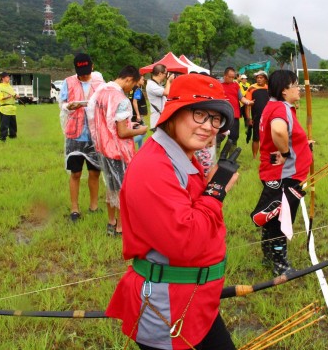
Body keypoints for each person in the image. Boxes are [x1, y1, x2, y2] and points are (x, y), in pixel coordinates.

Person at [106, 73, 239, 350]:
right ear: (173, 113)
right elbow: (186, 241)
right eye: (199, 114)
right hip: (169, 310)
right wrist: (216, 190)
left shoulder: (180, 157)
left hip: (194, 301)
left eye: (216, 119)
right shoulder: (154, 167)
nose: (209, 126)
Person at [250, 70, 312, 276]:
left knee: (272, 215)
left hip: (275, 172)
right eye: (295, 85)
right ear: (285, 90)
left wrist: (303, 144)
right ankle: (280, 265)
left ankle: (268, 256)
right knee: (281, 219)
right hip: (284, 175)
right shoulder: (280, 110)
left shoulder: (274, 105)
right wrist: (286, 152)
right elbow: (277, 131)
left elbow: (282, 133)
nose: (299, 89)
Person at [87, 66, 148, 236]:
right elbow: (122, 132)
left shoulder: (101, 92)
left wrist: (129, 125)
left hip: (103, 148)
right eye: (134, 85)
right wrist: (140, 131)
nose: (132, 88)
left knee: (110, 186)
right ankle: (121, 227)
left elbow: (103, 121)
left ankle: (111, 222)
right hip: (118, 152)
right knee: (123, 189)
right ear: (128, 79)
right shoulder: (120, 99)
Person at [59, 53, 105, 221]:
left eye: (86, 71)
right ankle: (75, 208)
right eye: (81, 72)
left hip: (94, 135)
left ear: (92, 67)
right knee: (76, 173)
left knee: (95, 173)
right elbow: (62, 103)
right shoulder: (68, 82)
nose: (84, 75)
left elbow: (106, 104)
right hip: (75, 135)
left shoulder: (100, 84)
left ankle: (94, 206)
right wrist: (69, 106)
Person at [216, 67, 252, 154]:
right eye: (230, 77)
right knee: (219, 135)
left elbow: (241, 98)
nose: (232, 79)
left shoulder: (236, 85)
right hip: (222, 115)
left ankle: (231, 157)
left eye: (233, 77)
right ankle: (215, 155)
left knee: (234, 136)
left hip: (234, 115)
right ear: (225, 76)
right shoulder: (218, 84)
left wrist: (248, 102)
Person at [244, 70, 270, 158]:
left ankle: (265, 155)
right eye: (257, 78)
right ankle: (254, 156)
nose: (259, 79)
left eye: (261, 78)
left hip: (268, 117)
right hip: (256, 117)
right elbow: (247, 105)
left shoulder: (269, 88)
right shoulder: (251, 88)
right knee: (256, 137)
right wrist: (248, 118)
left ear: (265, 79)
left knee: (268, 137)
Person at [146, 64, 174, 132]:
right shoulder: (151, 85)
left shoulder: (157, 85)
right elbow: (166, 92)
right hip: (157, 121)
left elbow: (168, 94)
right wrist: (168, 81)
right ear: (160, 74)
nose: (166, 76)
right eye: (165, 73)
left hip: (161, 119)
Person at [0, 72, 18, 142]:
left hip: (12, 109)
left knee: (13, 124)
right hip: (5, 109)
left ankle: (13, 136)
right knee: (4, 125)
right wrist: (6, 97)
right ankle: (2, 138)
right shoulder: (0, 87)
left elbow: (13, 95)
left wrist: (16, 96)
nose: (8, 78)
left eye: (8, 77)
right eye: (7, 77)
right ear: (3, 78)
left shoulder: (9, 86)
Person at [129, 75, 148, 149]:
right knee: (143, 132)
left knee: (139, 131)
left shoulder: (132, 89)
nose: (143, 81)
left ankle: (140, 150)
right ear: (138, 80)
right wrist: (138, 115)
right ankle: (130, 143)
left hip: (132, 114)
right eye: (142, 79)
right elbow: (134, 102)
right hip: (137, 115)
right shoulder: (137, 90)